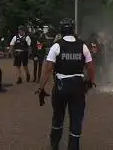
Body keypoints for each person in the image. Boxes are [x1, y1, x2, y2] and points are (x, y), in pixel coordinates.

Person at [38, 18, 95, 150]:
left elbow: (47, 69)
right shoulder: (83, 46)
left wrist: (41, 87)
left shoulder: (56, 46)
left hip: (61, 85)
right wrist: (91, 81)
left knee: (58, 115)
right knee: (76, 117)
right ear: (73, 30)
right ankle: (73, 146)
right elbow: (91, 67)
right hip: (77, 85)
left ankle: (55, 143)